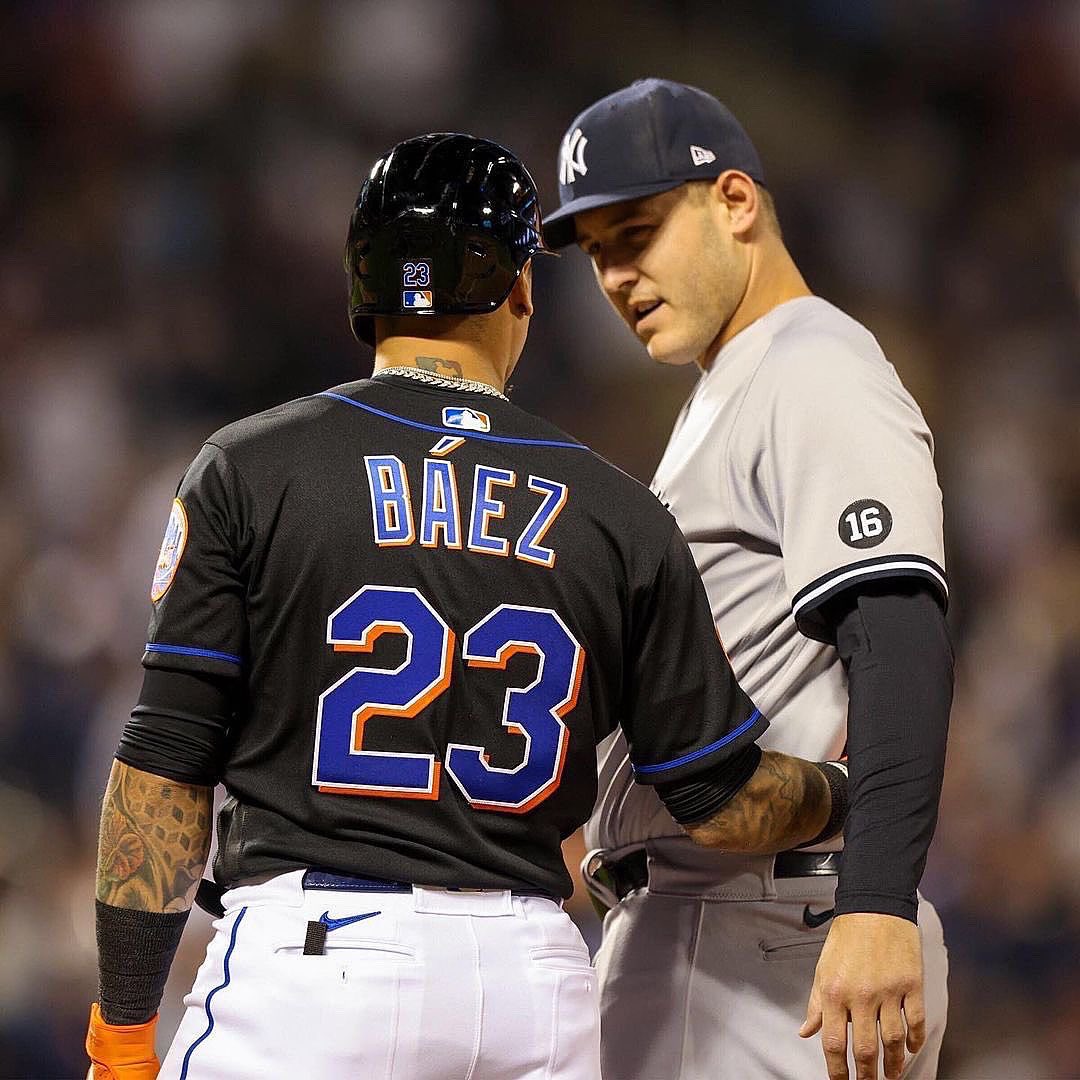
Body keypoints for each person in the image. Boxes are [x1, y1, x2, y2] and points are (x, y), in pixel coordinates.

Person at [85, 133, 851, 1080]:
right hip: (530, 985)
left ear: (362, 288)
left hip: (316, 967)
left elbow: (164, 767)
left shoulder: (251, 468)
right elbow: (721, 803)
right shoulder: (617, 512)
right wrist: (846, 791)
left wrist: (122, 1028)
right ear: (522, 288)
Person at [544, 79, 953, 1080]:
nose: (615, 274)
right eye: (596, 252)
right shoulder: (732, 389)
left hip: (765, 928)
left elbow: (896, 632)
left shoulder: (811, 362)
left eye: (635, 231)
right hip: (730, 921)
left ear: (734, 201)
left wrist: (875, 905)